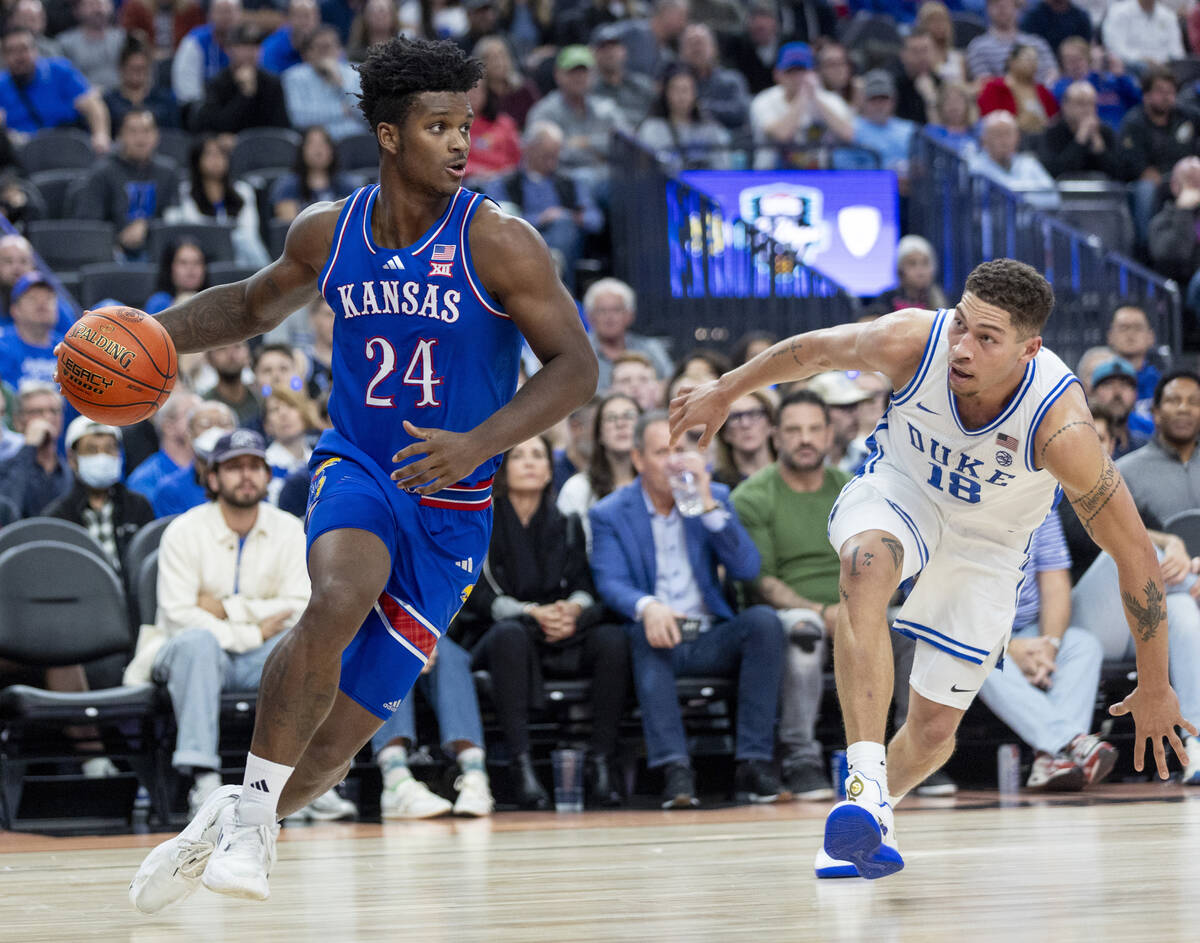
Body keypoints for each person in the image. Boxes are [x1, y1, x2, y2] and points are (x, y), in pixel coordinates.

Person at [127, 36, 597, 912]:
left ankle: (232, 819)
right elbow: (249, 305)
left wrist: (476, 444)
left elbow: (577, 369)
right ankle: (253, 822)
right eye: (438, 126)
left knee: (335, 747)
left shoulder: (500, 241)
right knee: (340, 594)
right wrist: (152, 333)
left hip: (453, 505)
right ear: (389, 134)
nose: (459, 143)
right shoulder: (329, 231)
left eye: (466, 126)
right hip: (361, 464)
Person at [669, 257, 1194, 879]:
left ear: (1029, 350)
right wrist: (726, 388)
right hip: (903, 489)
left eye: (987, 338)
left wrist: (1156, 684)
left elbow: (1136, 555)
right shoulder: (914, 340)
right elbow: (814, 351)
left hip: (990, 543)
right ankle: (864, 782)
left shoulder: (1062, 428)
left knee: (933, 731)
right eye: (962, 325)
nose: (963, 347)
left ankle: (870, 815)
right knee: (865, 564)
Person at [121, 430, 355, 821]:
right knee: (198, 643)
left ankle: (304, 785)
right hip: (188, 655)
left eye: (255, 466)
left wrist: (226, 609)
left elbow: (301, 607)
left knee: (310, 649)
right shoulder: (183, 530)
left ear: (267, 475)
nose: (246, 475)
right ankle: (204, 780)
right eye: (234, 467)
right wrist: (254, 627)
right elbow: (179, 614)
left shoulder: (289, 529)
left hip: (258, 657)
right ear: (212, 478)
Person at [590, 410, 786, 809]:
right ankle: (675, 768)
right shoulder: (609, 512)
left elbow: (747, 569)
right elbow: (609, 580)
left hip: (711, 635)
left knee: (764, 623)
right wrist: (648, 606)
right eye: (662, 452)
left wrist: (709, 505)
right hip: (656, 635)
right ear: (638, 459)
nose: (674, 462)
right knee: (645, 634)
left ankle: (753, 762)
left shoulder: (714, 497)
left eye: (681, 451)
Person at [455, 436, 629, 808]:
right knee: (510, 636)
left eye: (538, 455)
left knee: (612, 640)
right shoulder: (481, 519)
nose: (530, 463)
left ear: (551, 469)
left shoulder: (566, 523)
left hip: (559, 629)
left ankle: (601, 761)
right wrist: (531, 612)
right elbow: (477, 594)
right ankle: (521, 765)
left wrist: (572, 610)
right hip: (500, 633)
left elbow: (585, 585)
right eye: (519, 456)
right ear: (503, 469)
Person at [730, 389, 846, 800]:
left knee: (909, 628)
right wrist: (822, 611)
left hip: (854, 607)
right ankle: (800, 756)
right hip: (789, 614)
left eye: (815, 429)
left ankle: (907, 750)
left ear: (830, 434)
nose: (805, 439)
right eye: (794, 430)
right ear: (775, 436)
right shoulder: (752, 496)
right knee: (805, 630)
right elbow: (762, 582)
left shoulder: (853, 489)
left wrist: (857, 611)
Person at [976, 512, 1117, 791]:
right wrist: (1007, 647)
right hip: (967, 629)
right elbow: (942, 600)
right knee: (975, 655)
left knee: (1082, 645)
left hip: (1028, 629)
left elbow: (1054, 581)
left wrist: (1049, 646)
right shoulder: (956, 500)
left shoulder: (1043, 502)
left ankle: (1052, 761)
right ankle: (1071, 742)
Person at [370, 637, 495, 818]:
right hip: (368, 638)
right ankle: (395, 779)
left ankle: (475, 774)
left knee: (448, 652)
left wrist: (424, 637)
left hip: (419, 631)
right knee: (393, 647)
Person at [43, 416, 155, 573]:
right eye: (91, 450)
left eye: (109, 449)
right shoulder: (58, 516)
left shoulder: (138, 506)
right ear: (72, 458)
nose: (102, 457)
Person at [73, 108, 181, 261]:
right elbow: (89, 224)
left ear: (157, 136)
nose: (140, 138)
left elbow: (176, 218)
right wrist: (117, 239)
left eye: (146, 131)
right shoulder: (101, 173)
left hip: (160, 253)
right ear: (119, 136)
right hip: (112, 252)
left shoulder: (169, 172)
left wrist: (147, 227)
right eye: (132, 131)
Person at [165, 136, 271, 267]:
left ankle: (265, 273)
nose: (216, 160)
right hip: (201, 254)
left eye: (221, 154)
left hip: (239, 254)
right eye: (209, 154)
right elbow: (193, 227)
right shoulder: (185, 190)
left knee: (247, 240)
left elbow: (249, 231)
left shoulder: (243, 190)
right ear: (197, 159)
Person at [0, 25, 111, 151]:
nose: (19, 57)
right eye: (11, 51)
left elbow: (92, 104)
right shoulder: (1, 85)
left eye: (24, 49)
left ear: (35, 50)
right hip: (23, 151)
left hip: (68, 144)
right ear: (4, 56)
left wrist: (100, 135)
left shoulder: (59, 71)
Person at [1116, 369, 1200, 526]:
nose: (1183, 409)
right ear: (1156, 413)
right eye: (1173, 400)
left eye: (1194, 402)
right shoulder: (1123, 473)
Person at [556, 391, 639, 548]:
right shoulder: (577, 488)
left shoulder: (659, 484)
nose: (620, 424)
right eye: (611, 418)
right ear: (599, 433)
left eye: (629, 416)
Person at [194, 21, 290, 135]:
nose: (250, 52)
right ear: (228, 49)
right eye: (244, 46)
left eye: (255, 46)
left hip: (264, 143)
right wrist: (245, 96)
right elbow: (213, 126)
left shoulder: (272, 83)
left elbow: (281, 127)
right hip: (229, 144)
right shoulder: (217, 83)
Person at [636, 63, 732, 171]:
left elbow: (722, 167)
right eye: (675, 90)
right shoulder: (651, 129)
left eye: (686, 90)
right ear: (666, 94)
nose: (681, 96)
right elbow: (645, 169)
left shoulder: (711, 129)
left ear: (695, 93)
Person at [582, 277, 673, 391]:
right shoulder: (579, 354)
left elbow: (672, 384)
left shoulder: (651, 349)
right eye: (602, 310)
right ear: (589, 317)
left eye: (616, 310)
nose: (609, 317)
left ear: (630, 315)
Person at [150, 400, 238, 517]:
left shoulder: (248, 482)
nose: (215, 431)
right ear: (189, 435)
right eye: (206, 425)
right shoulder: (171, 490)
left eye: (224, 424)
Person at [281, 26, 367, 141]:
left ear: (339, 50)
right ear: (308, 53)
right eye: (319, 48)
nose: (325, 53)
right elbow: (298, 118)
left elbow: (365, 114)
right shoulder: (294, 76)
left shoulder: (356, 73)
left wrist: (341, 84)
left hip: (354, 139)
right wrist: (342, 111)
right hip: (316, 141)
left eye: (329, 47)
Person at [0, 380, 71, 516]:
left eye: (54, 411)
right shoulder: (5, 469)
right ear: (18, 421)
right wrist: (30, 446)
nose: (48, 417)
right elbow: (7, 511)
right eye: (37, 412)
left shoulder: (68, 472)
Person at [969, 110, 1060, 210]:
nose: (1004, 140)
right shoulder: (975, 168)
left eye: (1008, 134)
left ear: (1017, 137)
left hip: (1028, 219)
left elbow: (1053, 197)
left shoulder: (1029, 164)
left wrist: (1021, 199)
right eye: (998, 134)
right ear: (984, 139)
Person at [269, 125, 356, 224]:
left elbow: (354, 221)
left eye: (323, 144)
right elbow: (289, 225)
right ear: (302, 150)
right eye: (312, 144)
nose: (318, 150)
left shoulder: (346, 183)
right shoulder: (287, 185)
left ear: (332, 150)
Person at [1036, 80, 1122, 178]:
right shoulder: (1052, 133)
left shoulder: (1105, 132)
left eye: (1091, 104)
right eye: (1080, 103)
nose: (1087, 109)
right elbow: (1053, 172)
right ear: (1065, 106)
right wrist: (1080, 140)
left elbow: (1119, 174)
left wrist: (1099, 148)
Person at [172, 0, 242, 114]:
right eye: (221, 12)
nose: (225, 17)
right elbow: (187, 91)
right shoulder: (194, 42)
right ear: (210, 15)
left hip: (237, 109)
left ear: (240, 15)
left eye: (229, 12)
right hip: (201, 110)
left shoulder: (249, 43)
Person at [677, 23, 750, 133]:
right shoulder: (675, 84)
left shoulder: (732, 80)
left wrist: (701, 107)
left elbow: (740, 112)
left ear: (714, 49)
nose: (697, 49)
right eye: (691, 43)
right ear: (681, 52)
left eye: (700, 43)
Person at [127, 390, 200, 499]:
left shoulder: (209, 471)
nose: (201, 420)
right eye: (191, 413)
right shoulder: (144, 480)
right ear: (168, 427)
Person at [966, 0, 1057, 85]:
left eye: (1007, 3)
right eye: (996, 3)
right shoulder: (978, 47)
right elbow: (984, 83)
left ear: (1017, 8)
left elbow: (1052, 75)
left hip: (1036, 94)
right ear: (988, 8)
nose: (1002, 7)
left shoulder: (1037, 43)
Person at [103, 36, 182, 133]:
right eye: (133, 68)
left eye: (142, 68)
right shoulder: (109, 101)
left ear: (149, 68)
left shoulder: (165, 99)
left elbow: (175, 133)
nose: (137, 73)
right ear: (121, 68)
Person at [977, 43, 1059, 136]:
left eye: (1035, 60)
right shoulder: (994, 88)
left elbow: (1054, 118)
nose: (1033, 64)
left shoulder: (1042, 90)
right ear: (1012, 61)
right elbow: (988, 119)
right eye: (1028, 59)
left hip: (1042, 136)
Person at [0, 271, 64, 390]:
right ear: (15, 310)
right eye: (32, 298)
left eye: (48, 298)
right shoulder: (3, 347)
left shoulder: (68, 349)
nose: (42, 303)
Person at [1089, 357, 1152, 458]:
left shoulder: (1146, 449)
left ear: (1135, 394)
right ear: (1093, 393)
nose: (1117, 393)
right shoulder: (1081, 445)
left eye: (1125, 385)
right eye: (1108, 385)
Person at [57, 0, 125, 92]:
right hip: (83, 96)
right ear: (77, 10)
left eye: (101, 4)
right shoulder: (65, 43)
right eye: (91, 4)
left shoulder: (123, 39)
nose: (98, 9)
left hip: (121, 95)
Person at [712, 390, 775, 487]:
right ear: (724, 433)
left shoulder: (792, 474)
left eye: (754, 414)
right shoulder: (717, 485)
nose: (745, 424)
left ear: (770, 424)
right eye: (735, 417)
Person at [1101, 0, 1183, 72]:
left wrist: (1162, 64)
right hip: (1132, 67)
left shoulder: (1168, 16)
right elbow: (1116, 49)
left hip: (1164, 68)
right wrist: (1143, 60)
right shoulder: (1119, 12)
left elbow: (1176, 52)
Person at [1105, 305, 1160, 404]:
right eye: (1123, 328)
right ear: (1110, 336)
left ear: (1150, 337)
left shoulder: (1161, 384)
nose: (1130, 334)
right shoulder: (1099, 382)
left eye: (1138, 328)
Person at [145, 240, 209, 316]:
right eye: (183, 263)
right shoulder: (157, 303)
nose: (191, 268)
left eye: (197, 262)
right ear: (170, 268)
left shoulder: (214, 300)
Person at [204, 341, 260, 425]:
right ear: (209, 358)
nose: (231, 355)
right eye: (222, 348)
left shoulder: (260, 400)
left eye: (237, 346)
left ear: (248, 355)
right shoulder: (204, 404)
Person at [259, 0, 319, 74]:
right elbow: (268, 74)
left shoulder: (326, 42)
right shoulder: (272, 45)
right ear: (288, 18)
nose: (303, 21)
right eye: (298, 16)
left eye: (307, 16)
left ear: (317, 18)